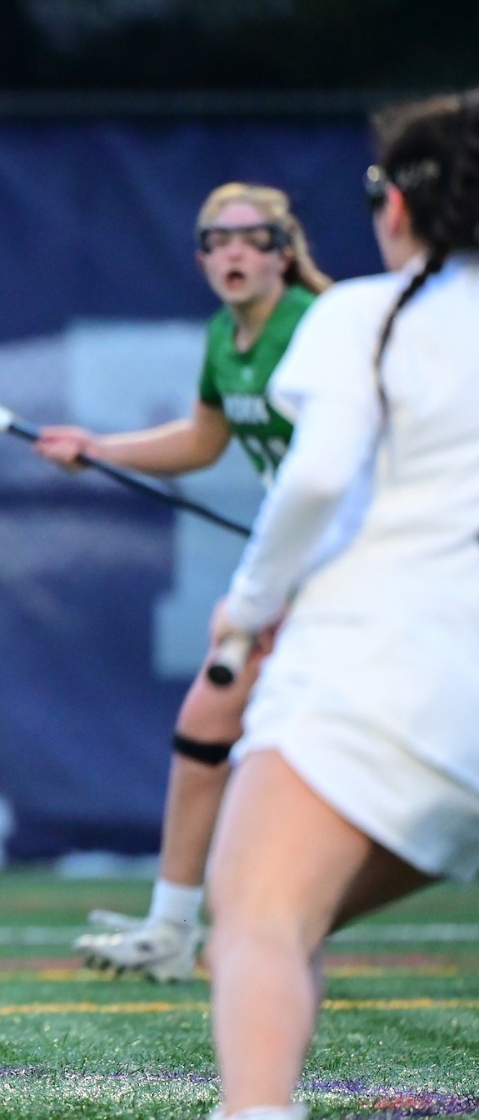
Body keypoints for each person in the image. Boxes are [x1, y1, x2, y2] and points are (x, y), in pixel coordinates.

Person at [203, 91, 479, 1120]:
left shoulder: (366, 312)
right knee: (286, 919)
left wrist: (245, 606)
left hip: (376, 678)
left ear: (400, 206)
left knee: (256, 921)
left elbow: (313, 482)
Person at [31, 183, 335, 981]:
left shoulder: (317, 329)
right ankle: (174, 925)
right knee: (210, 723)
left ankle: (219, 920)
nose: (234, 252)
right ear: (202, 257)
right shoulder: (224, 337)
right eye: (218, 240)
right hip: (296, 563)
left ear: (282, 250)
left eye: (252, 238)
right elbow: (204, 440)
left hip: (349, 569)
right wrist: (99, 447)